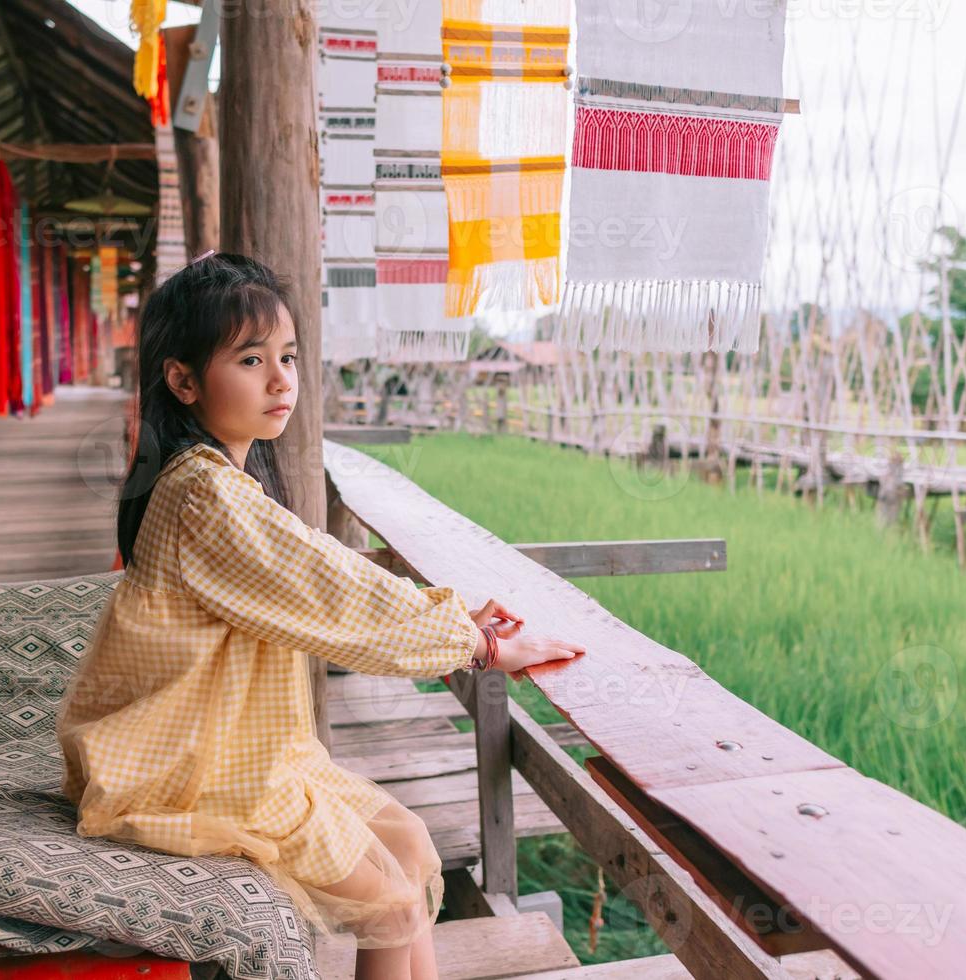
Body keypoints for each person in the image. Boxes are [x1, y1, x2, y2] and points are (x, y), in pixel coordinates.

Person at [56, 252, 585, 980]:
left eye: (289, 357)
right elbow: (331, 590)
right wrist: (475, 643)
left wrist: (458, 614)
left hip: (229, 747)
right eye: (250, 359)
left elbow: (321, 573)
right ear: (182, 380)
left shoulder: (215, 485)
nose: (282, 381)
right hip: (182, 765)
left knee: (406, 848)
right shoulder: (206, 496)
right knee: (394, 902)